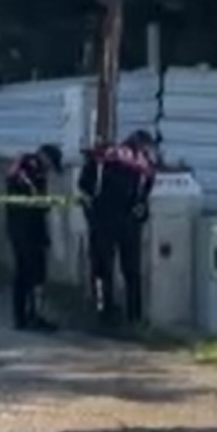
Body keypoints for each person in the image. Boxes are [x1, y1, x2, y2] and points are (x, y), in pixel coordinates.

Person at [76, 130, 157, 329]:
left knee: (102, 269)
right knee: (132, 271)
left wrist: (91, 212)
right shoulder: (144, 164)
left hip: (103, 220)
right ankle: (133, 315)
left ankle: (103, 312)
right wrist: (140, 213)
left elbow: (84, 186)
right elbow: (144, 195)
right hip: (127, 222)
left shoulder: (104, 157)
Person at [4, 143, 64, 331]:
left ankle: (24, 317)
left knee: (27, 273)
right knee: (32, 274)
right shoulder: (29, 168)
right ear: (44, 157)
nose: (49, 170)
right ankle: (31, 317)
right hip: (25, 229)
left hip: (27, 228)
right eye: (50, 165)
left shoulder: (30, 168)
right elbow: (35, 199)